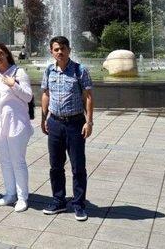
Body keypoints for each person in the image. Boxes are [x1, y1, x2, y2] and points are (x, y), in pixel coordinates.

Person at [41, 36, 94, 222]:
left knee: (78, 166)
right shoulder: (48, 70)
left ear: (69, 50)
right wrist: (43, 118)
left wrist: (89, 122)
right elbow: (46, 94)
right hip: (55, 123)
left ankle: (79, 204)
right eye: (56, 49)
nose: (60, 52)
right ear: (51, 51)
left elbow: (88, 96)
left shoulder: (79, 70)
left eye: (63, 48)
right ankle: (59, 200)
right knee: (55, 165)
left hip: (75, 123)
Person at [0, 42, 33, 212]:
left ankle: (22, 198)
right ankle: (10, 193)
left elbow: (28, 97)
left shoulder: (18, 72)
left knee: (18, 161)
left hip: (16, 124)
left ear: (7, 54)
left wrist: (13, 84)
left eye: (0, 53)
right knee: (5, 162)